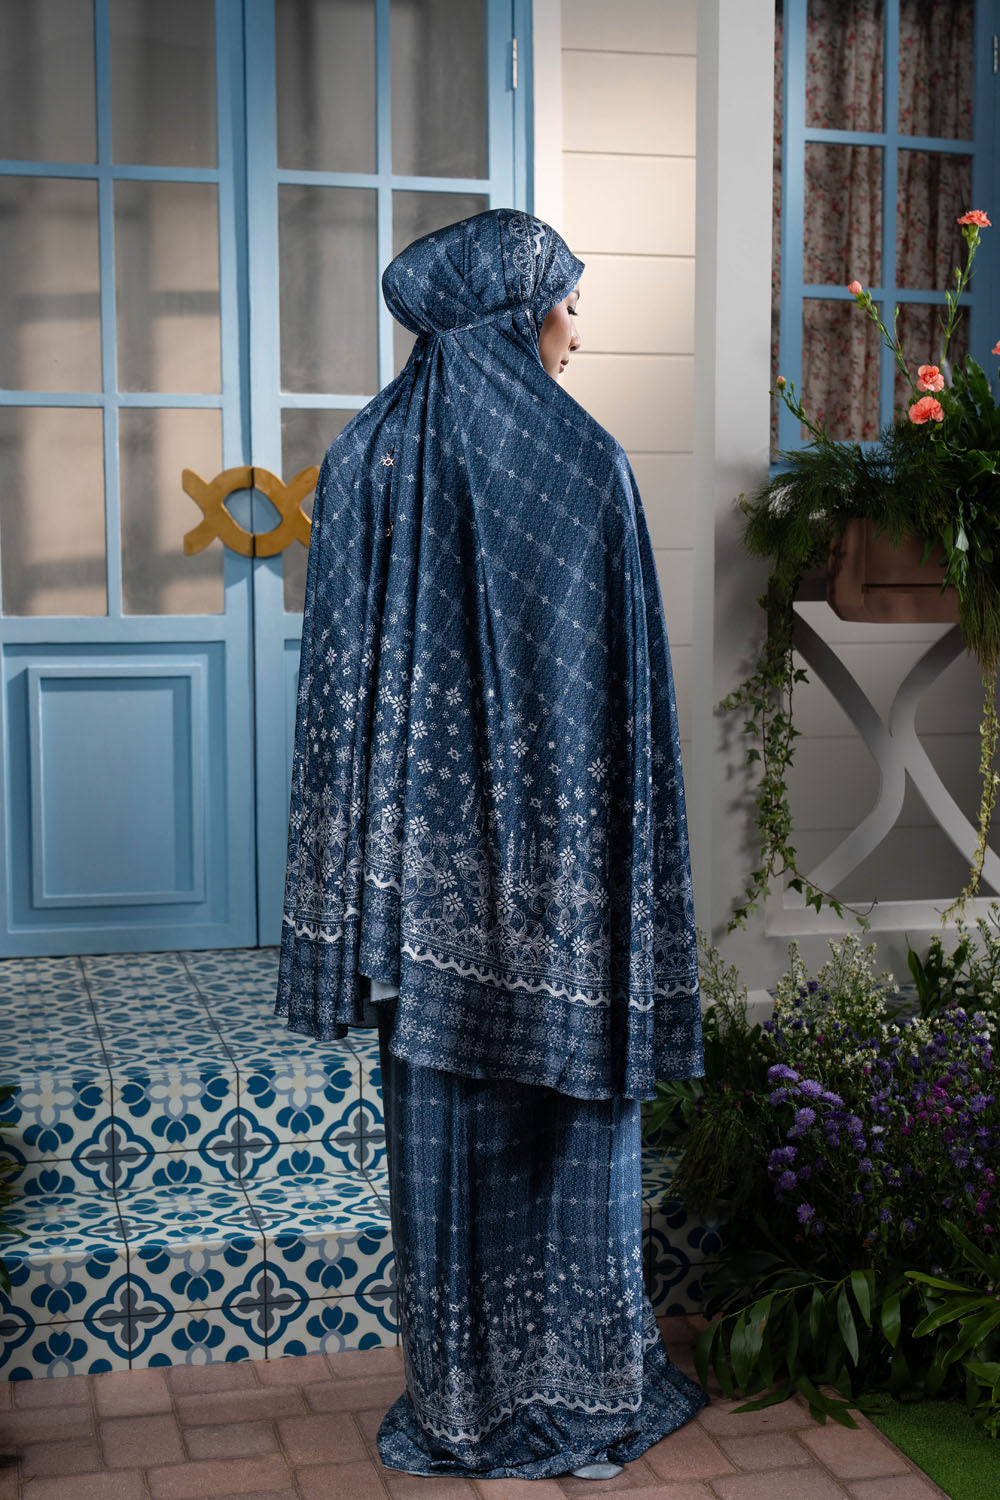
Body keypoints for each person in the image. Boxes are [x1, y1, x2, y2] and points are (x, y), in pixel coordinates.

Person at [275, 207, 708, 1480]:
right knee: (567, 1138)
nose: (577, 326)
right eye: (565, 298)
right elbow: (625, 703)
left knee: (447, 1151)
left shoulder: (363, 459)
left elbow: (339, 701)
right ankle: (581, 1397)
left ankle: (460, 1409)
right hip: (568, 895)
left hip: (422, 907)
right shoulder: (583, 464)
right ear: (515, 315)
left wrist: (360, 893)